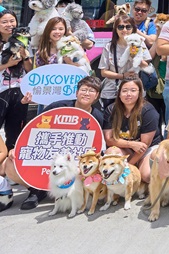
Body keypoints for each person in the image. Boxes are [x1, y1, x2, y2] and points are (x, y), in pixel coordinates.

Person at [11, 75, 104, 210]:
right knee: (9, 164)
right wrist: (17, 147)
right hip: (48, 156)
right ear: (76, 92)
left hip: (76, 163)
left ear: (97, 96)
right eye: (84, 90)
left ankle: (72, 191)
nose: (86, 93)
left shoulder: (97, 117)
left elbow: (98, 146)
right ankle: (37, 190)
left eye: (91, 91)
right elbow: (34, 128)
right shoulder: (58, 107)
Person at [103, 77, 162, 184]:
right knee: (111, 152)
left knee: (146, 176)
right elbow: (109, 139)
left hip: (147, 149)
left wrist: (129, 165)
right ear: (119, 94)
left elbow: (143, 146)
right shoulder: (111, 110)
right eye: (124, 91)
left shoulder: (148, 111)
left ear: (140, 93)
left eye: (133, 90)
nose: (128, 94)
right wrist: (130, 144)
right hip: (126, 147)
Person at [99, 15, 152, 109]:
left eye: (128, 27)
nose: (124, 30)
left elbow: (145, 65)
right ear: (116, 29)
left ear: (133, 29)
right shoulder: (109, 46)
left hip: (133, 89)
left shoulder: (140, 43)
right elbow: (103, 72)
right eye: (120, 27)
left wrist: (136, 57)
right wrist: (123, 76)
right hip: (112, 90)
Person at [0, 10, 33, 149]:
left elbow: (29, 69)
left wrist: (25, 56)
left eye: (12, 21)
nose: (9, 24)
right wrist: (8, 64)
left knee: (15, 131)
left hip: (19, 92)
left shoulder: (24, 40)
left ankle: (10, 157)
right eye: (4, 22)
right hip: (1, 91)